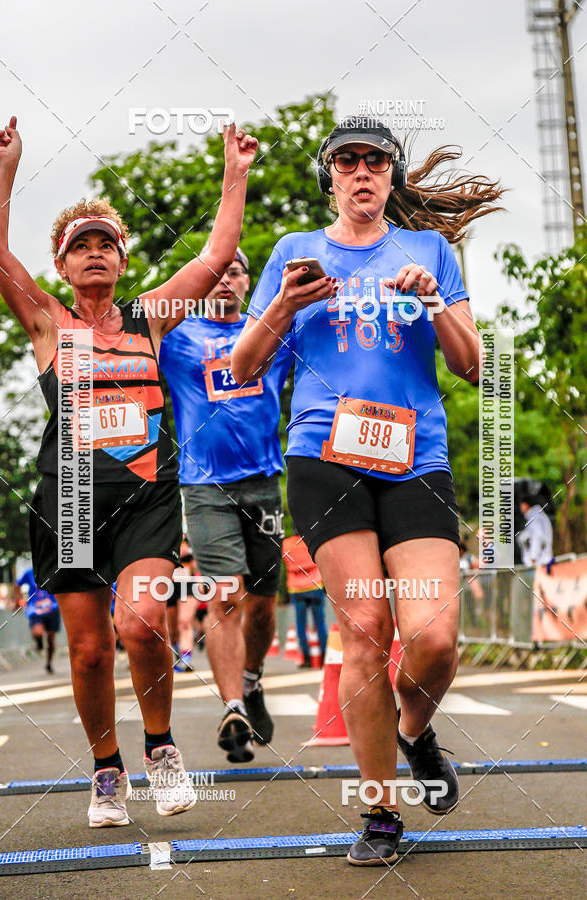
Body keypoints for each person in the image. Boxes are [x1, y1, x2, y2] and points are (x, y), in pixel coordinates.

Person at [232, 115, 503, 864]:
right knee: (364, 630)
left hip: (416, 458)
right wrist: (286, 305)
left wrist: (434, 305)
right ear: (331, 177)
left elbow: (475, 367)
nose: (361, 172)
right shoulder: (295, 252)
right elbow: (245, 367)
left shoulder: (429, 251)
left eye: (375, 162)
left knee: (435, 639)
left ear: (391, 176)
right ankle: (380, 815)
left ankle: (414, 735)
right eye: (347, 161)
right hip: (326, 456)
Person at [0, 115, 257, 826]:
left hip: (146, 496)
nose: (97, 254)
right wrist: (7, 166)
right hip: (70, 499)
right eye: (83, 247)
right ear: (64, 267)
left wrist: (236, 174)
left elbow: (215, 254)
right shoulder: (49, 324)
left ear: (123, 262)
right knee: (86, 653)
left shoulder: (149, 319)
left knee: (141, 625)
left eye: (108, 244)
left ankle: (161, 749)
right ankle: (107, 770)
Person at [159, 244, 292, 763]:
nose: (223, 280)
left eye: (234, 271)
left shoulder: (270, 331)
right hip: (204, 486)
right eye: (213, 272)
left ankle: (253, 681)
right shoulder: (177, 338)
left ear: (246, 282)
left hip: (264, 482)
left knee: (261, 604)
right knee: (227, 597)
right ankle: (232, 705)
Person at [282, 533, 327, 667]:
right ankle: (324, 657)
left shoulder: (286, 544)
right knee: (320, 623)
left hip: (297, 589)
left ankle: (307, 659)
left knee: (301, 625)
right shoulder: (311, 539)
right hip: (315, 585)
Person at [16, 566, 60, 672]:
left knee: (51, 639)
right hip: (35, 608)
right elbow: (17, 584)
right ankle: (39, 642)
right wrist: (17, 600)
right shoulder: (29, 572)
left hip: (52, 607)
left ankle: (49, 663)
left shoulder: (55, 568)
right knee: (37, 632)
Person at [167, 539, 199, 671]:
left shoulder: (191, 536)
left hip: (188, 583)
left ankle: (186, 660)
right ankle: (176, 656)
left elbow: (198, 563)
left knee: (185, 621)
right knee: (171, 629)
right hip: (167, 583)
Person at [518, 497, 554, 568]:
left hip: (540, 561)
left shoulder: (534, 516)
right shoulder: (536, 515)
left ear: (525, 505)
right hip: (541, 560)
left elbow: (537, 536)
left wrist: (533, 557)